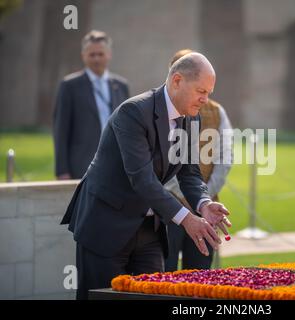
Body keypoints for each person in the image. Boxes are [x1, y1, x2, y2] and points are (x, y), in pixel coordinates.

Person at [60, 52, 232, 300]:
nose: (205, 100)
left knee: (153, 295)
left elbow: (189, 172)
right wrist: (187, 219)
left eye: (209, 93)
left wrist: (203, 204)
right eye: (201, 91)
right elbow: (142, 179)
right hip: (105, 226)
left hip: (149, 230)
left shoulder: (192, 118)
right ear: (177, 80)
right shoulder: (133, 112)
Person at [164, 49, 233, 271]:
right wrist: (184, 198)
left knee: (200, 271)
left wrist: (203, 196)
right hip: (169, 204)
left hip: (205, 201)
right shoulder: (161, 111)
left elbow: (225, 156)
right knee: (166, 269)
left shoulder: (216, 112)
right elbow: (163, 164)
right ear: (177, 80)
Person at [53, 30, 130, 180]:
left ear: (109, 55)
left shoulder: (121, 86)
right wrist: (62, 170)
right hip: (81, 166)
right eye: (91, 55)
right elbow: (60, 130)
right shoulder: (69, 86)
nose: (96, 59)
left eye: (100, 54)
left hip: (117, 164)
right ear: (83, 56)